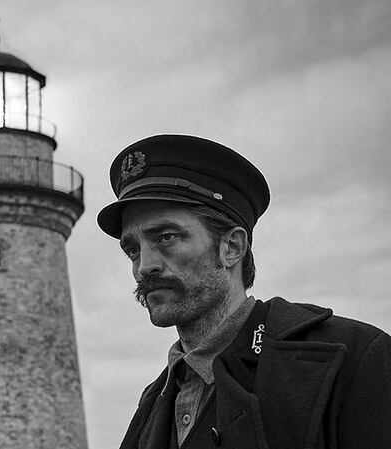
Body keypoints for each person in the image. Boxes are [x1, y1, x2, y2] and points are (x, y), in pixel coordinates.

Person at [97, 135, 391, 449]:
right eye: (133, 250)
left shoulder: (352, 358)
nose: (145, 266)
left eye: (167, 237)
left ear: (232, 247)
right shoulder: (153, 403)